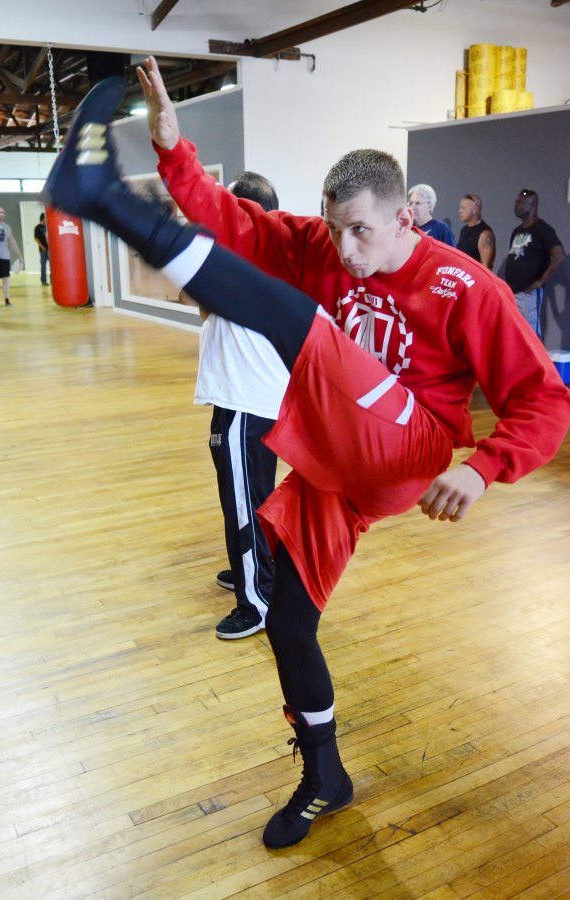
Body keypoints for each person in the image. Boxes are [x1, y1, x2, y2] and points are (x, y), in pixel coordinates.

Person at [43, 74, 570, 852]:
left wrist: (482, 467)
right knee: (288, 622)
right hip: (338, 461)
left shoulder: (465, 285)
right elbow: (235, 220)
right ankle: (325, 774)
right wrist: (173, 149)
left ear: (404, 218)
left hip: (410, 445)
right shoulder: (325, 245)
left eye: (360, 231)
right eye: (333, 229)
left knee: (299, 324)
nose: (345, 249)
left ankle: (105, 198)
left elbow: (544, 401)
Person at [193, 171, 284, 639]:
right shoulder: (269, 253)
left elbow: (196, 300)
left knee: (244, 501)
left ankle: (257, 600)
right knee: (252, 496)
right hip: (249, 396)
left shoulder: (241, 255)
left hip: (245, 399)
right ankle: (255, 567)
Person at [504, 189, 566, 338]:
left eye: (520, 202)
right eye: (516, 203)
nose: (516, 206)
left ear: (532, 204)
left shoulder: (542, 229)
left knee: (529, 335)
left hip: (528, 293)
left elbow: (559, 255)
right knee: (513, 334)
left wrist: (541, 281)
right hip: (511, 292)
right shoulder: (517, 231)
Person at [457, 193, 496, 269]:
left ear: (475, 209)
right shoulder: (464, 230)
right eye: (460, 208)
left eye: (463, 208)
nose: (460, 211)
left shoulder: (484, 235)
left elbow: (486, 269)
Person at [34, 212, 49, 285]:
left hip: (50, 250)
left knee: (53, 266)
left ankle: (53, 280)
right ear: (43, 218)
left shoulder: (48, 226)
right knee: (43, 266)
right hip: (43, 250)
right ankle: (43, 281)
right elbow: (36, 238)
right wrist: (42, 246)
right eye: (46, 218)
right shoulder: (38, 227)